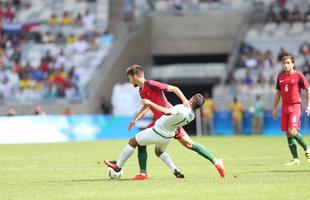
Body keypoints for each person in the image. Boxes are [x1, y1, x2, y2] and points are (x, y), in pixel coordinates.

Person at [124, 64, 225, 180]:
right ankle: (215, 161)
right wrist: (136, 119)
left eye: (130, 78)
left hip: (165, 120)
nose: (129, 80)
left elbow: (174, 89)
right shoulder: (141, 91)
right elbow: (147, 105)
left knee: (139, 141)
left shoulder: (151, 84)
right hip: (166, 122)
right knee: (187, 144)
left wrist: (184, 100)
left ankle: (138, 172)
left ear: (135, 76)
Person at [103, 94, 225, 178]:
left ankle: (118, 167)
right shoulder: (192, 115)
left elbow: (167, 112)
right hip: (169, 135)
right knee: (159, 152)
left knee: (132, 141)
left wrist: (150, 102)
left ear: (192, 100)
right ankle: (174, 170)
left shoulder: (181, 108)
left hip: (157, 131)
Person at [272, 54, 310, 166]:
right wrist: (274, 107)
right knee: (288, 133)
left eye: (288, 63)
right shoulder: (280, 77)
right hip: (284, 107)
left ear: (293, 64)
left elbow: (308, 88)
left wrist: (308, 105)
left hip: (295, 106)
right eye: (284, 63)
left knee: (293, 131)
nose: (286, 65)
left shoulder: (298, 75)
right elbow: (278, 93)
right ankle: (295, 159)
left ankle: (307, 148)